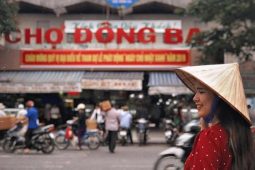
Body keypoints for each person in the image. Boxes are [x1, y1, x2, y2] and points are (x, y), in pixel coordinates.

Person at [175, 63, 255, 170]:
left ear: (219, 99)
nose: (195, 98)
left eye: (201, 91)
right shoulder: (242, 134)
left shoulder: (211, 137)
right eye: (196, 92)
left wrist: (205, 134)